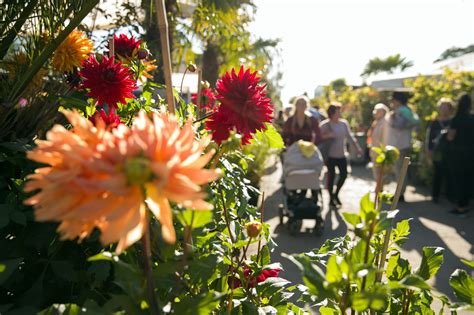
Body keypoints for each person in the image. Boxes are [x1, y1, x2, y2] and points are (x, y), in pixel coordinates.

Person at [281, 96, 322, 208]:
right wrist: (286, 146)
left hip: (308, 150)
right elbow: (284, 135)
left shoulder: (312, 120)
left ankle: (309, 197)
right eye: (299, 104)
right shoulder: (290, 120)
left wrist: (314, 145)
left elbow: (318, 134)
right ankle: (295, 195)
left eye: (304, 104)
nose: (301, 106)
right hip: (294, 151)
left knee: (310, 169)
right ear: (296, 105)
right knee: (294, 169)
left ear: (307, 106)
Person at [320, 103, 362, 207]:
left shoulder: (344, 124)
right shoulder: (325, 125)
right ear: (332, 113)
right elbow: (318, 138)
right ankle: (330, 198)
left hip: (341, 155)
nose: (340, 113)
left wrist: (357, 148)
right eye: (337, 112)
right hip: (329, 156)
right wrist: (328, 135)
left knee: (344, 175)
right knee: (331, 176)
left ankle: (336, 194)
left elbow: (350, 136)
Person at [387, 91, 419, 202]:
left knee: (399, 170)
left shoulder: (401, 111)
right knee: (401, 170)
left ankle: (399, 194)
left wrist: (392, 119)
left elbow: (399, 126)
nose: (391, 102)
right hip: (403, 144)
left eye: (393, 100)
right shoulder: (407, 110)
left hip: (399, 145)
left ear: (397, 101)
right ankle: (399, 193)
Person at [447, 93, 474, 215]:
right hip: (470, 153)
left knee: (458, 180)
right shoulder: (472, 118)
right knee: (468, 179)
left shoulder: (456, 119)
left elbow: (450, 137)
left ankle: (460, 206)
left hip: (457, 153)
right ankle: (466, 203)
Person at [425, 98, 453, 203]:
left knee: (449, 173)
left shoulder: (453, 121)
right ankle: (435, 195)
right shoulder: (434, 122)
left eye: (446, 107)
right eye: (442, 107)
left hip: (450, 152)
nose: (444, 109)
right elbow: (429, 137)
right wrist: (429, 150)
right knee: (438, 173)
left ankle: (449, 195)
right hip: (438, 152)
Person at [367, 103, 389, 181]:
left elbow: (385, 139)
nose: (375, 113)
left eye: (378, 111)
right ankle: (378, 189)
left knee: (380, 173)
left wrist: (383, 152)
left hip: (380, 152)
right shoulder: (376, 122)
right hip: (374, 150)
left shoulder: (385, 123)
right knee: (376, 172)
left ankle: (380, 189)